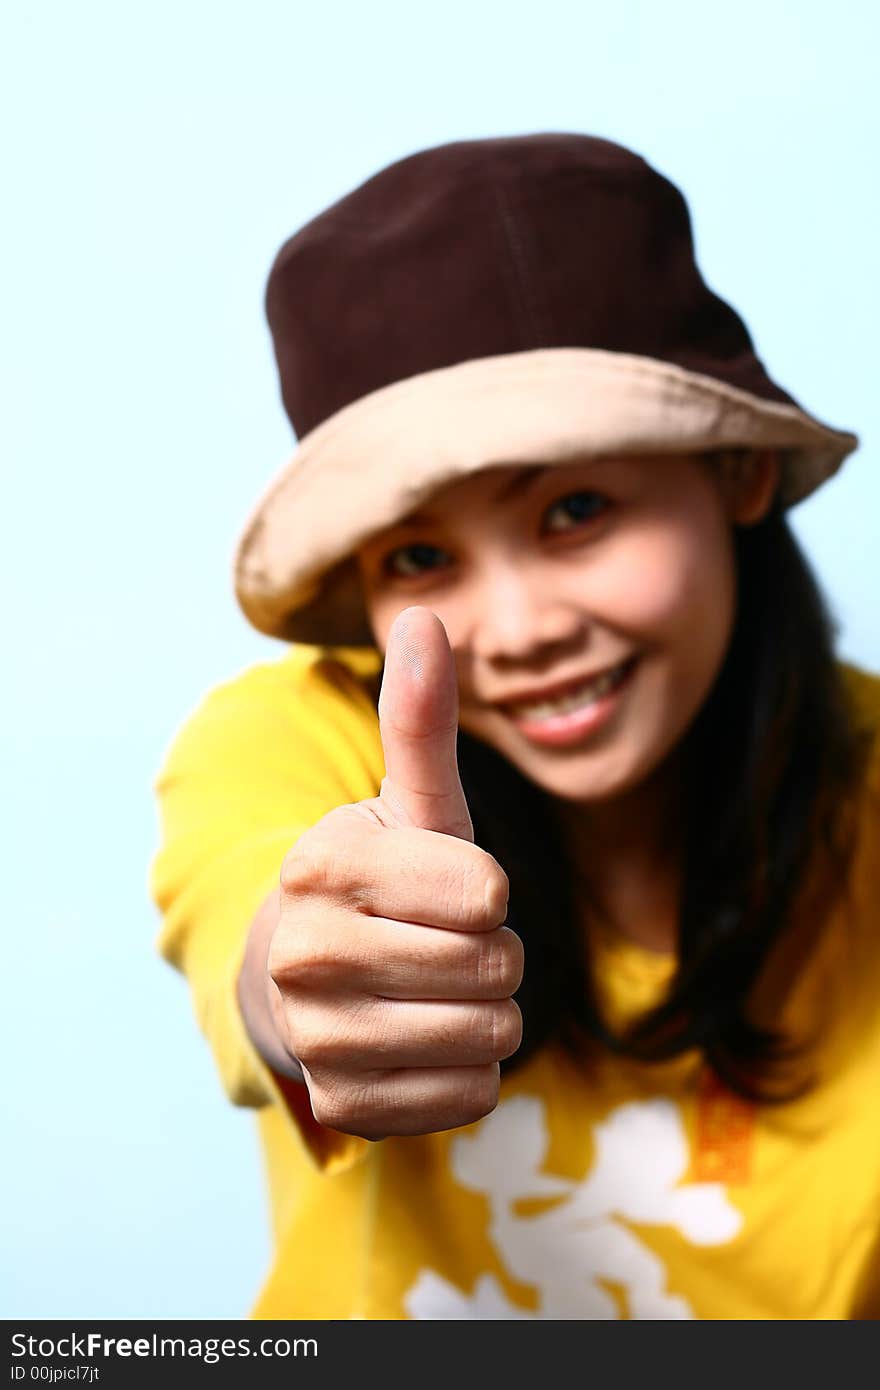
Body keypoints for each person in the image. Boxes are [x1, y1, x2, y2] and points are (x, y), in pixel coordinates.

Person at [149, 133, 880, 1320]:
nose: (517, 629)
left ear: (737, 470)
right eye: (422, 556)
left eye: (575, 509)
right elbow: (258, 930)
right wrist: (320, 978)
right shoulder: (295, 739)